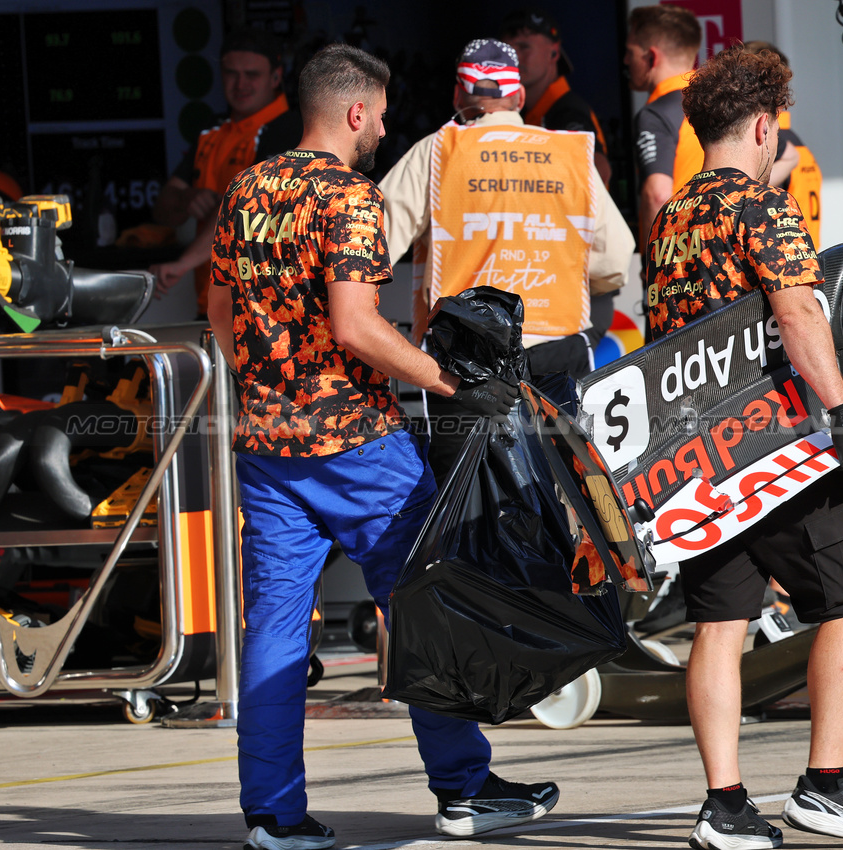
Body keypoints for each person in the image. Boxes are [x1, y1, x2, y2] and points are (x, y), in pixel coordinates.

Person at [208, 43, 557, 850]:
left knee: (275, 631)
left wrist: (265, 382)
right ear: (357, 112)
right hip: (359, 446)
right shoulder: (349, 198)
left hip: (269, 444)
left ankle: (273, 814)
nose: (387, 127)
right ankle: (465, 789)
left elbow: (222, 307)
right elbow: (356, 326)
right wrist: (444, 380)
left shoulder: (247, 189)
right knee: (424, 607)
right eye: (383, 114)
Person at [641, 46, 843, 849]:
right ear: (762, 126)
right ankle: (824, 784)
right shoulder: (761, 210)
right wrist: (842, 413)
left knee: (719, 625)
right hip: (775, 445)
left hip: (690, 453)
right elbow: (797, 314)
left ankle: (723, 805)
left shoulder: (671, 219)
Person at [380, 38, 633, 484]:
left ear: (459, 95)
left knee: (467, 514)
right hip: (558, 351)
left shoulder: (438, 152)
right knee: (563, 500)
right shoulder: (570, 155)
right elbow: (615, 257)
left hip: (463, 363)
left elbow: (370, 247)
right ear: (517, 97)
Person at [155, 27, 302, 318]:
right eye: (231, 73)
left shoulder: (292, 129)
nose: (240, 84)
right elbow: (161, 209)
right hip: (213, 306)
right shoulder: (212, 130)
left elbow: (243, 208)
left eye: (252, 74)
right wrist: (187, 199)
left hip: (270, 309)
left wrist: (183, 264)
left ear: (275, 77)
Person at [500, 6, 612, 186]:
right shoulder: (531, 112)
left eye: (523, 47)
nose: (513, 58)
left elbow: (599, 170)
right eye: (507, 50)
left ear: (554, 53)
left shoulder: (566, 111)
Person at [624, 4, 702, 248]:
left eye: (629, 52)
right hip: (727, 257)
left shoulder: (655, 114)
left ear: (651, 57)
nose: (625, 60)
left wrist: (653, 269)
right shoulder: (724, 103)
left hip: (680, 263)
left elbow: (657, 195)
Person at [744, 40, 823, 248]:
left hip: (785, 267)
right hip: (805, 263)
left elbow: (738, 199)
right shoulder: (796, 142)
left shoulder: (769, 144)